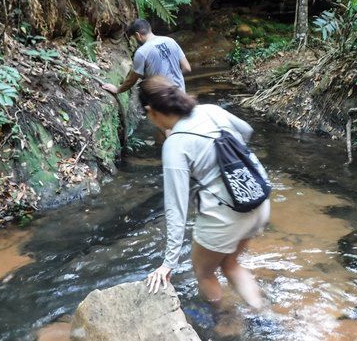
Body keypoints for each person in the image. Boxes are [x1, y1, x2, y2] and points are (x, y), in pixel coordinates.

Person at [141, 76, 271, 310]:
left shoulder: (175, 145)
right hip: (257, 197)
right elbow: (247, 130)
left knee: (204, 272)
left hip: (226, 215)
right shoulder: (211, 110)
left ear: (151, 111)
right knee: (230, 263)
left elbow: (176, 207)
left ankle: (226, 321)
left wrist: (168, 262)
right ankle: (264, 315)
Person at [101, 19, 191, 95]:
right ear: (150, 28)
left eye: (134, 38)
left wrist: (117, 90)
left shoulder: (142, 52)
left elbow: (131, 81)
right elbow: (187, 68)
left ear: (137, 35)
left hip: (162, 98)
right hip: (181, 95)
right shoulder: (171, 41)